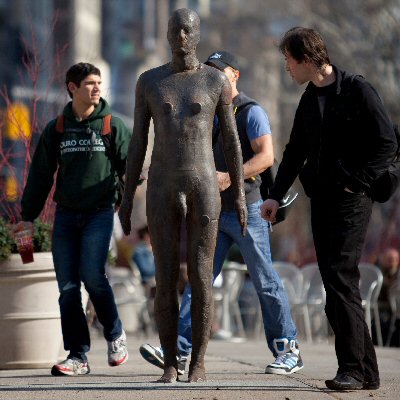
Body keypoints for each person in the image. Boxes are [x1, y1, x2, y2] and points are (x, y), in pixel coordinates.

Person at [139, 50, 303, 376]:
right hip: (211, 212)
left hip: (249, 210)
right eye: (209, 71)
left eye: (221, 72)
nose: (213, 77)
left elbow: (267, 156)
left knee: (265, 280)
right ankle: (182, 348)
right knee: (199, 282)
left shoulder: (251, 112)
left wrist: (232, 175)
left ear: (235, 76)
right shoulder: (209, 112)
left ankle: (288, 349)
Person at [260, 27, 397, 390]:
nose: (287, 68)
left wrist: (358, 181)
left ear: (306, 59)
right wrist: (274, 194)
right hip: (320, 199)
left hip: (352, 200)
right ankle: (366, 371)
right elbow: (294, 152)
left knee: (339, 281)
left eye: (289, 60)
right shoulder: (310, 98)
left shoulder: (358, 90)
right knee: (337, 285)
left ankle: (351, 368)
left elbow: (388, 143)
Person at [118, 9, 247, 383]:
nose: (181, 36)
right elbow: (138, 142)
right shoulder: (150, 82)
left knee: (202, 277)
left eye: (188, 29)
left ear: (198, 34)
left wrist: (238, 193)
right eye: (175, 29)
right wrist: (127, 198)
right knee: (165, 275)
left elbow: (233, 143)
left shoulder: (214, 82)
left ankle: (199, 362)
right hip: (162, 185)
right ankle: (171, 361)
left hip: (203, 183)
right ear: (167, 33)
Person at [16, 62, 131, 376]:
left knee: (92, 276)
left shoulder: (112, 126)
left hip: (99, 213)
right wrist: (27, 217)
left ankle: (115, 333)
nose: (96, 88)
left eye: (99, 83)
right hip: (66, 216)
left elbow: (130, 171)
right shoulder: (58, 128)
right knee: (67, 287)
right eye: (90, 83)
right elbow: (40, 176)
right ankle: (77, 355)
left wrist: (123, 201)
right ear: (72, 87)